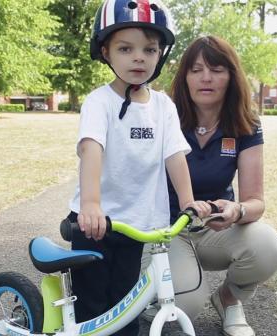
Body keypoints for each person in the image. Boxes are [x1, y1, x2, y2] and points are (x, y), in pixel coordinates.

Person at [65, 2, 210, 336]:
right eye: (126, 49)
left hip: (136, 225)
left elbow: (175, 155)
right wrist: (90, 204)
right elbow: (91, 149)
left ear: (161, 55)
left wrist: (188, 200)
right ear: (106, 52)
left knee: (127, 303)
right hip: (95, 223)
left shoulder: (163, 106)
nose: (139, 58)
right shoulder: (99, 102)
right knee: (92, 303)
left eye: (150, 49)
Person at [141, 35, 277, 336]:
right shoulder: (163, 117)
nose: (206, 78)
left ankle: (228, 300)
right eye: (196, 70)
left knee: (269, 247)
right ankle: (154, 288)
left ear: (231, 76)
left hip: (213, 229)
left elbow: (255, 201)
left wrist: (237, 210)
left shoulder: (246, 123)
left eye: (217, 69)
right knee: (184, 311)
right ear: (184, 77)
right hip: (166, 230)